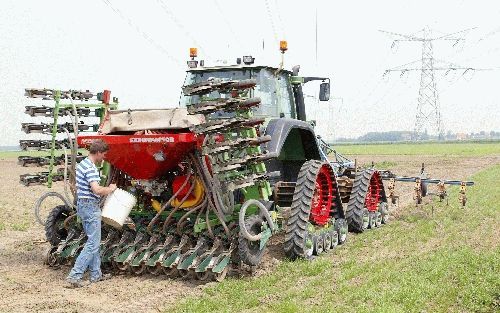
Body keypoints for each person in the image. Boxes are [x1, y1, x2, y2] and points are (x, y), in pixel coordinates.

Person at [66, 139, 117, 288]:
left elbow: (77, 186)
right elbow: (97, 190)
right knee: (93, 244)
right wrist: (111, 189)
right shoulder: (91, 168)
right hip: (90, 206)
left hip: (83, 204)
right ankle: (74, 276)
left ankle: (96, 274)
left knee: (93, 241)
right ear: (99, 152)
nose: (104, 158)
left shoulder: (82, 165)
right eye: (104, 155)